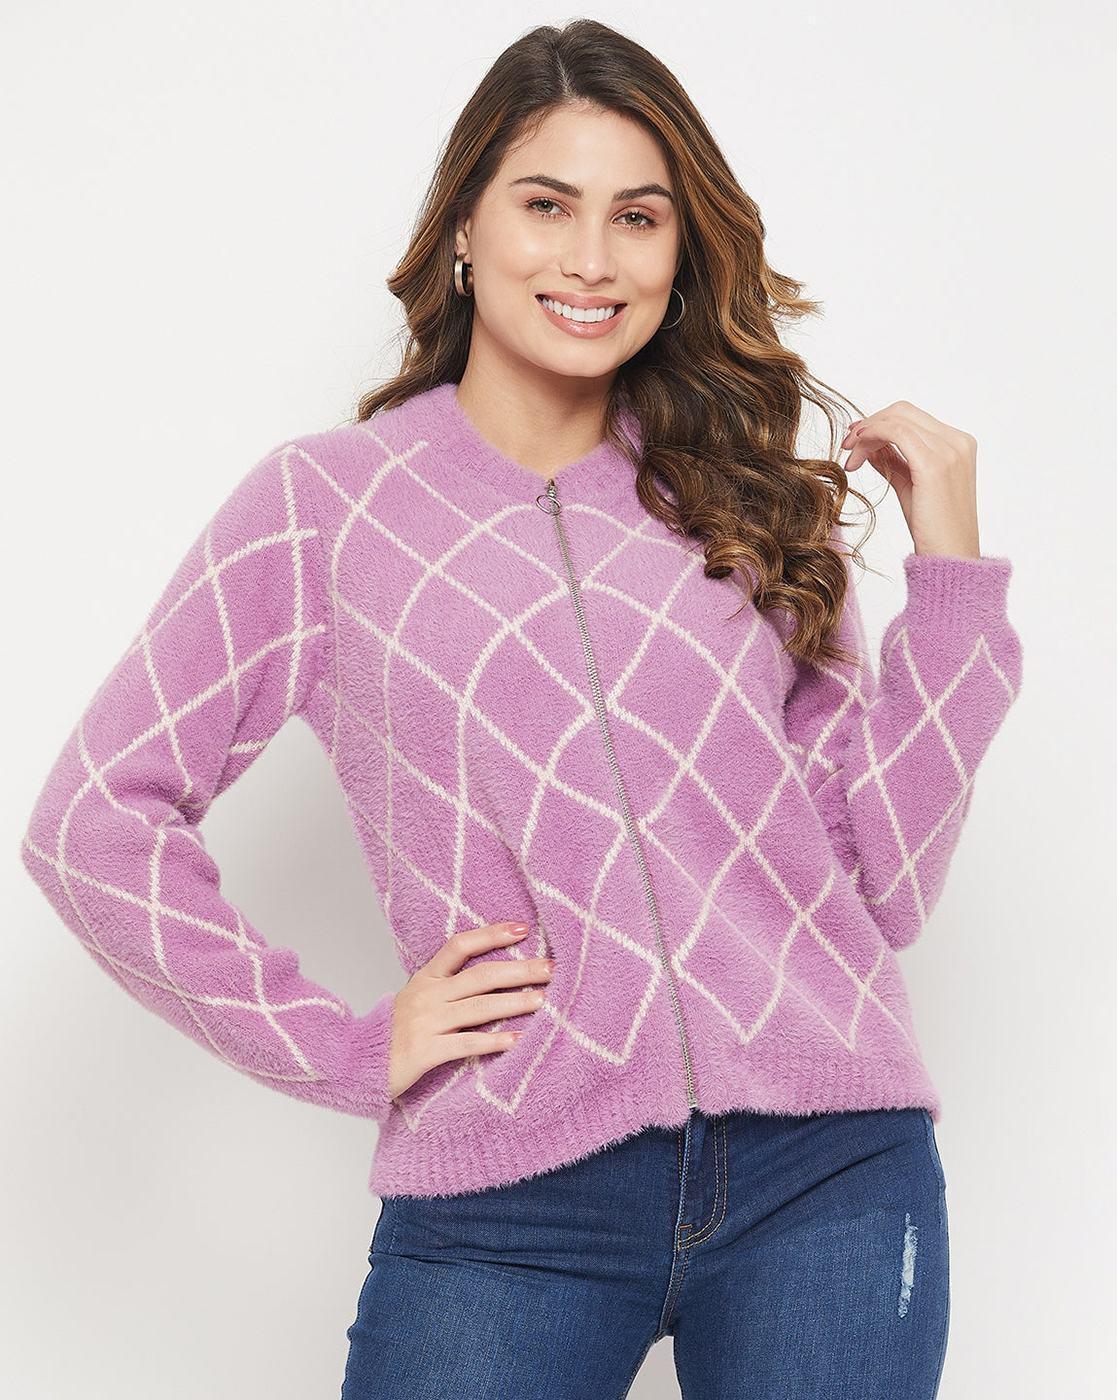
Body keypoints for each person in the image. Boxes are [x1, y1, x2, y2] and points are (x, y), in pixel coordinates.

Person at [20, 18, 1022, 1399]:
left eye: (637, 218)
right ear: (463, 230)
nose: (591, 258)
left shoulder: (746, 501)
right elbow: (91, 823)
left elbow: (884, 888)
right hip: (508, 1206)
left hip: (829, 1174)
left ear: (680, 255)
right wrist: (345, 1046)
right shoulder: (325, 510)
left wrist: (952, 583)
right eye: (547, 205)